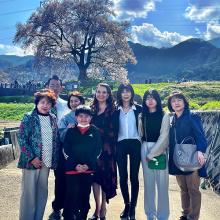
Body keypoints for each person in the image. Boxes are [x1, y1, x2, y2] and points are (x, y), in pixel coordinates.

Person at [18, 89, 59, 220]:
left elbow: (55, 139)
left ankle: (38, 217)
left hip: (46, 161)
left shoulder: (53, 118)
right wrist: (32, 158)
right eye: (42, 102)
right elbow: (22, 139)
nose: (45, 105)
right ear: (37, 103)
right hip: (31, 162)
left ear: (52, 105)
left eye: (48, 103)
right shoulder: (29, 117)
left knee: (42, 191)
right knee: (29, 193)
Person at [168, 91, 207, 220]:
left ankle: (193, 217)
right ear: (170, 104)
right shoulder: (172, 119)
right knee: (183, 188)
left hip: (192, 158)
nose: (176, 103)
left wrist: (200, 151)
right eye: (173, 101)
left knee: (193, 190)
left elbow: (200, 136)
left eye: (179, 100)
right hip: (178, 158)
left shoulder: (192, 116)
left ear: (184, 102)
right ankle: (185, 213)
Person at [63, 106, 102, 220]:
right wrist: (75, 165)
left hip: (87, 170)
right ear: (76, 117)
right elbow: (65, 150)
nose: (83, 118)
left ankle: (83, 216)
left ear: (90, 118)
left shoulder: (95, 131)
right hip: (72, 170)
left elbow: (98, 150)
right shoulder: (70, 131)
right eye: (81, 116)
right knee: (71, 195)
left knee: (85, 195)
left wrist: (87, 165)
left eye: (86, 116)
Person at [138, 90, 170, 220]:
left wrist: (152, 154)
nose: (150, 100)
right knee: (148, 183)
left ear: (157, 99)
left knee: (162, 184)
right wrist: (145, 151)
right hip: (145, 147)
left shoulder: (164, 115)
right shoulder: (141, 115)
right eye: (147, 98)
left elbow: (164, 136)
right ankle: (150, 214)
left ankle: (162, 215)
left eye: (153, 98)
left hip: (160, 149)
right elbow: (140, 134)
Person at [112, 83, 142, 220]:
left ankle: (133, 208)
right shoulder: (115, 110)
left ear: (132, 93)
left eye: (128, 91)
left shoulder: (139, 109)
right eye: (123, 91)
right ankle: (127, 204)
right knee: (123, 177)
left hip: (135, 144)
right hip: (120, 144)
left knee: (134, 177)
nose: (125, 93)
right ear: (119, 94)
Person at [89, 83, 117, 220]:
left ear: (108, 94)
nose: (101, 94)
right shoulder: (91, 108)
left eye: (104, 92)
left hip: (108, 148)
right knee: (95, 179)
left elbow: (115, 130)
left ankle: (104, 208)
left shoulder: (113, 109)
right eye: (98, 91)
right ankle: (97, 208)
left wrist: (97, 130)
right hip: (93, 149)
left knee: (105, 178)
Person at [47, 75, 70, 220]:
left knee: (62, 177)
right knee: (57, 177)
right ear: (48, 86)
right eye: (52, 85)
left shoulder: (66, 104)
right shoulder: (42, 102)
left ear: (61, 87)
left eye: (57, 85)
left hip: (63, 145)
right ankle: (57, 207)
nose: (54, 87)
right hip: (48, 144)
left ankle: (60, 207)